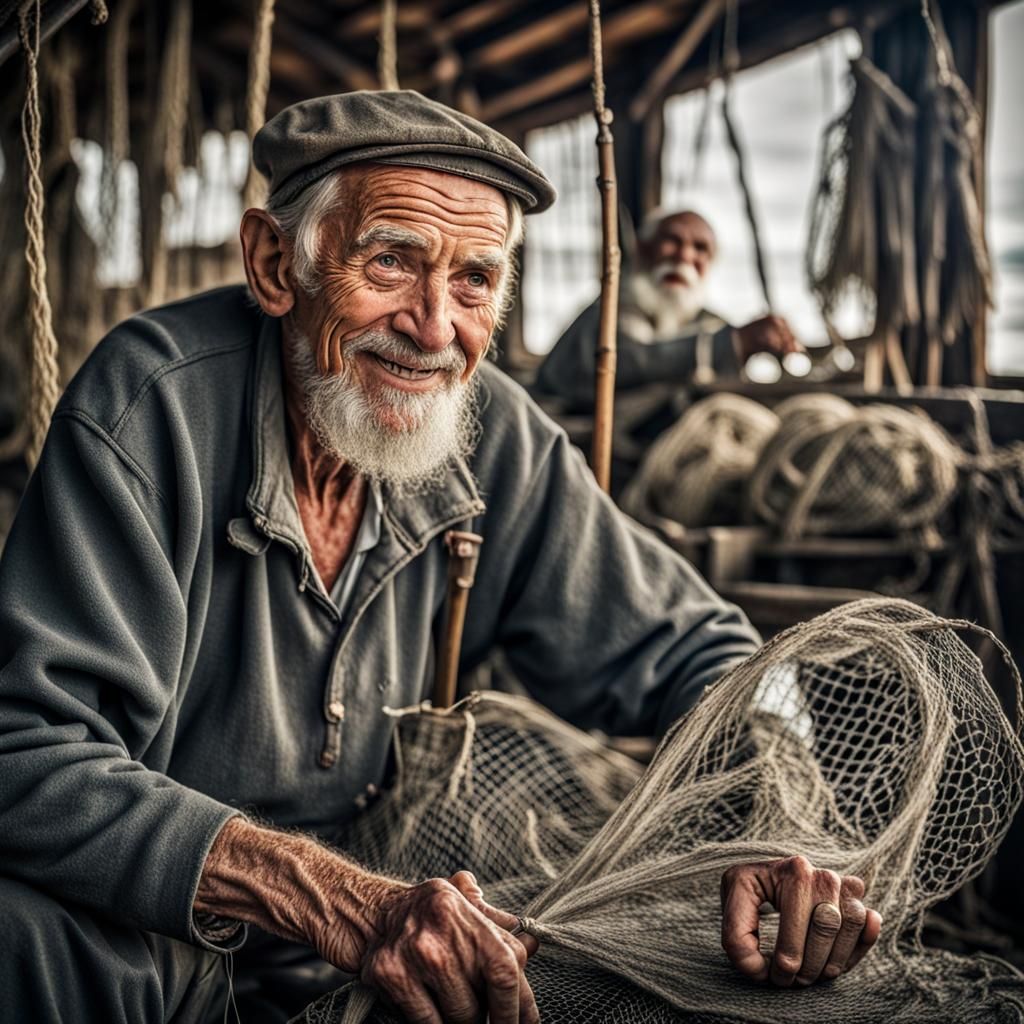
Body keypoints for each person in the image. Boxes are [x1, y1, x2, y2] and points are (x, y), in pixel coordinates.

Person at [0, 91, 879, 1023]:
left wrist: (774, 823)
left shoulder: (492, 434)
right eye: (390, 262)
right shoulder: (153, 406)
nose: (432, 327)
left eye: (474, 283)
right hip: (149, 945)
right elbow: (24, 753)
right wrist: (335, 898)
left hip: (390, 947)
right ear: (273, 264)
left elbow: (713, 652)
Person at [534, 209, 802, 409]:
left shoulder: (708, 322)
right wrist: (734, 343)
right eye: (672, 241)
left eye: (700, 248)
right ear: (643, 251)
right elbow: (628, 360)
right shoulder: (607, 313)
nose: (684, 256)